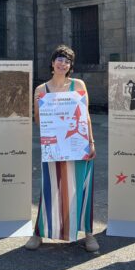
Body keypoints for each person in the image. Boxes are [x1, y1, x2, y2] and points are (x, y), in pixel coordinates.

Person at [25, 45, 99, 253]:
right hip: (54, 146)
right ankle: (38, 232)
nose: (62, 63)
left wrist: (91, 142)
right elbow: (39, 122)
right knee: (50, 187)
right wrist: (39, 106)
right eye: (59, 59)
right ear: (52, 62)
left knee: (82, 187)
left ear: (70, 66)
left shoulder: (78, 85)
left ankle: (88, 233)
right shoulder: (41, 90)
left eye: (67, 61)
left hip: (78, 144)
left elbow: (85, 116)